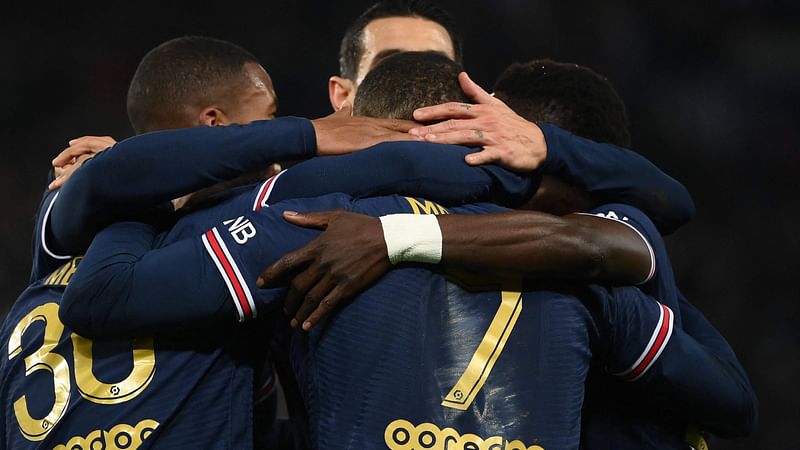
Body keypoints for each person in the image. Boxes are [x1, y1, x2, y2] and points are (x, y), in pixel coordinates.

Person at [60, 51, 749, 449]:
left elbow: (103, 298)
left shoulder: (305, 222)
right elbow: (733, 403)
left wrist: (148, 190)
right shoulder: (580, 255)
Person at [263, 57, 757, 447]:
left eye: (497, 143)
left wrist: (395, 237)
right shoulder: (510, 233)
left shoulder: (612, 241)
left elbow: (735, 404)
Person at [1, 34, 416, 449]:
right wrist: (307, 134)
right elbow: (110, 176)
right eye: (270, 118)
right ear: (215, 124)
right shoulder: (82, 190)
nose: (277, 145)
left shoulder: (93, 209)